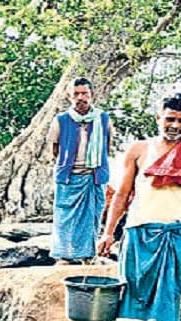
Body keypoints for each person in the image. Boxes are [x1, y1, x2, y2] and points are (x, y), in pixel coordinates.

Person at [97, 93, 181, 321]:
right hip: (140, 230)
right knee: (133, 291)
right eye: (170, 119)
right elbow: (122, 195)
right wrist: (107, 233)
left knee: (169, 293)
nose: (175, 126)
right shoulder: (139, 150)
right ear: (158, 117)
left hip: (178, 232)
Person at [48, 78, 111, 262]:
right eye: (76, 94)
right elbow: (55, 149)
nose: (80, 98)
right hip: (69, 177)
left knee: (92, 217)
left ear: (92, 96)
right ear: (69, 96)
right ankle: (65, 256)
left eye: (84, 94)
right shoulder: (61, 120)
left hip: (94, 176)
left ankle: (88, 256)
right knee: (64, 218)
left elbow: (107, 145)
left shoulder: (103, 119)